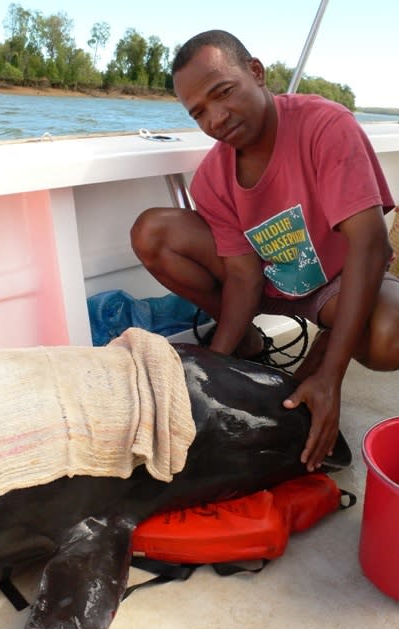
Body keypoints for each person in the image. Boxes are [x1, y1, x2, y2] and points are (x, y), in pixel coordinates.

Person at [131, 29, 399, 472]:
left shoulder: (325, 125)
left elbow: (370, 245)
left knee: (391, 334)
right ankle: (251, 347)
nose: (216, 118)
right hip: (269, 281)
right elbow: (242, 276)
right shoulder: (212, 180)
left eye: (223, 93)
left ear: (256, 73)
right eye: (199, 112)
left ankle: (322, 358)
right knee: (153, 232)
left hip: (336, 280)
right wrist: (216, 367)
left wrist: (330, 379)